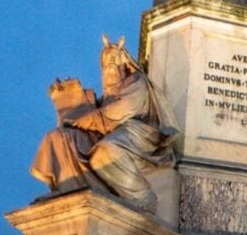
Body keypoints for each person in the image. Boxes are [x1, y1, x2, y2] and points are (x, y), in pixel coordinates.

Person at [31, 35, 179, 212]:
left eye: (113, 65)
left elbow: (117, 112)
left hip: (139, 134)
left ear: (123, 64)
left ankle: (142, 197)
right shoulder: (106, 97)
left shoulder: (136, 82)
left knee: (105, 152)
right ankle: (66, 189)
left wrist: (82, 120)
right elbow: (90, 116)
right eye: (105, 67)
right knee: (57, 137)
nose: (108, 71)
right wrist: (66, 100)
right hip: (109, 133)